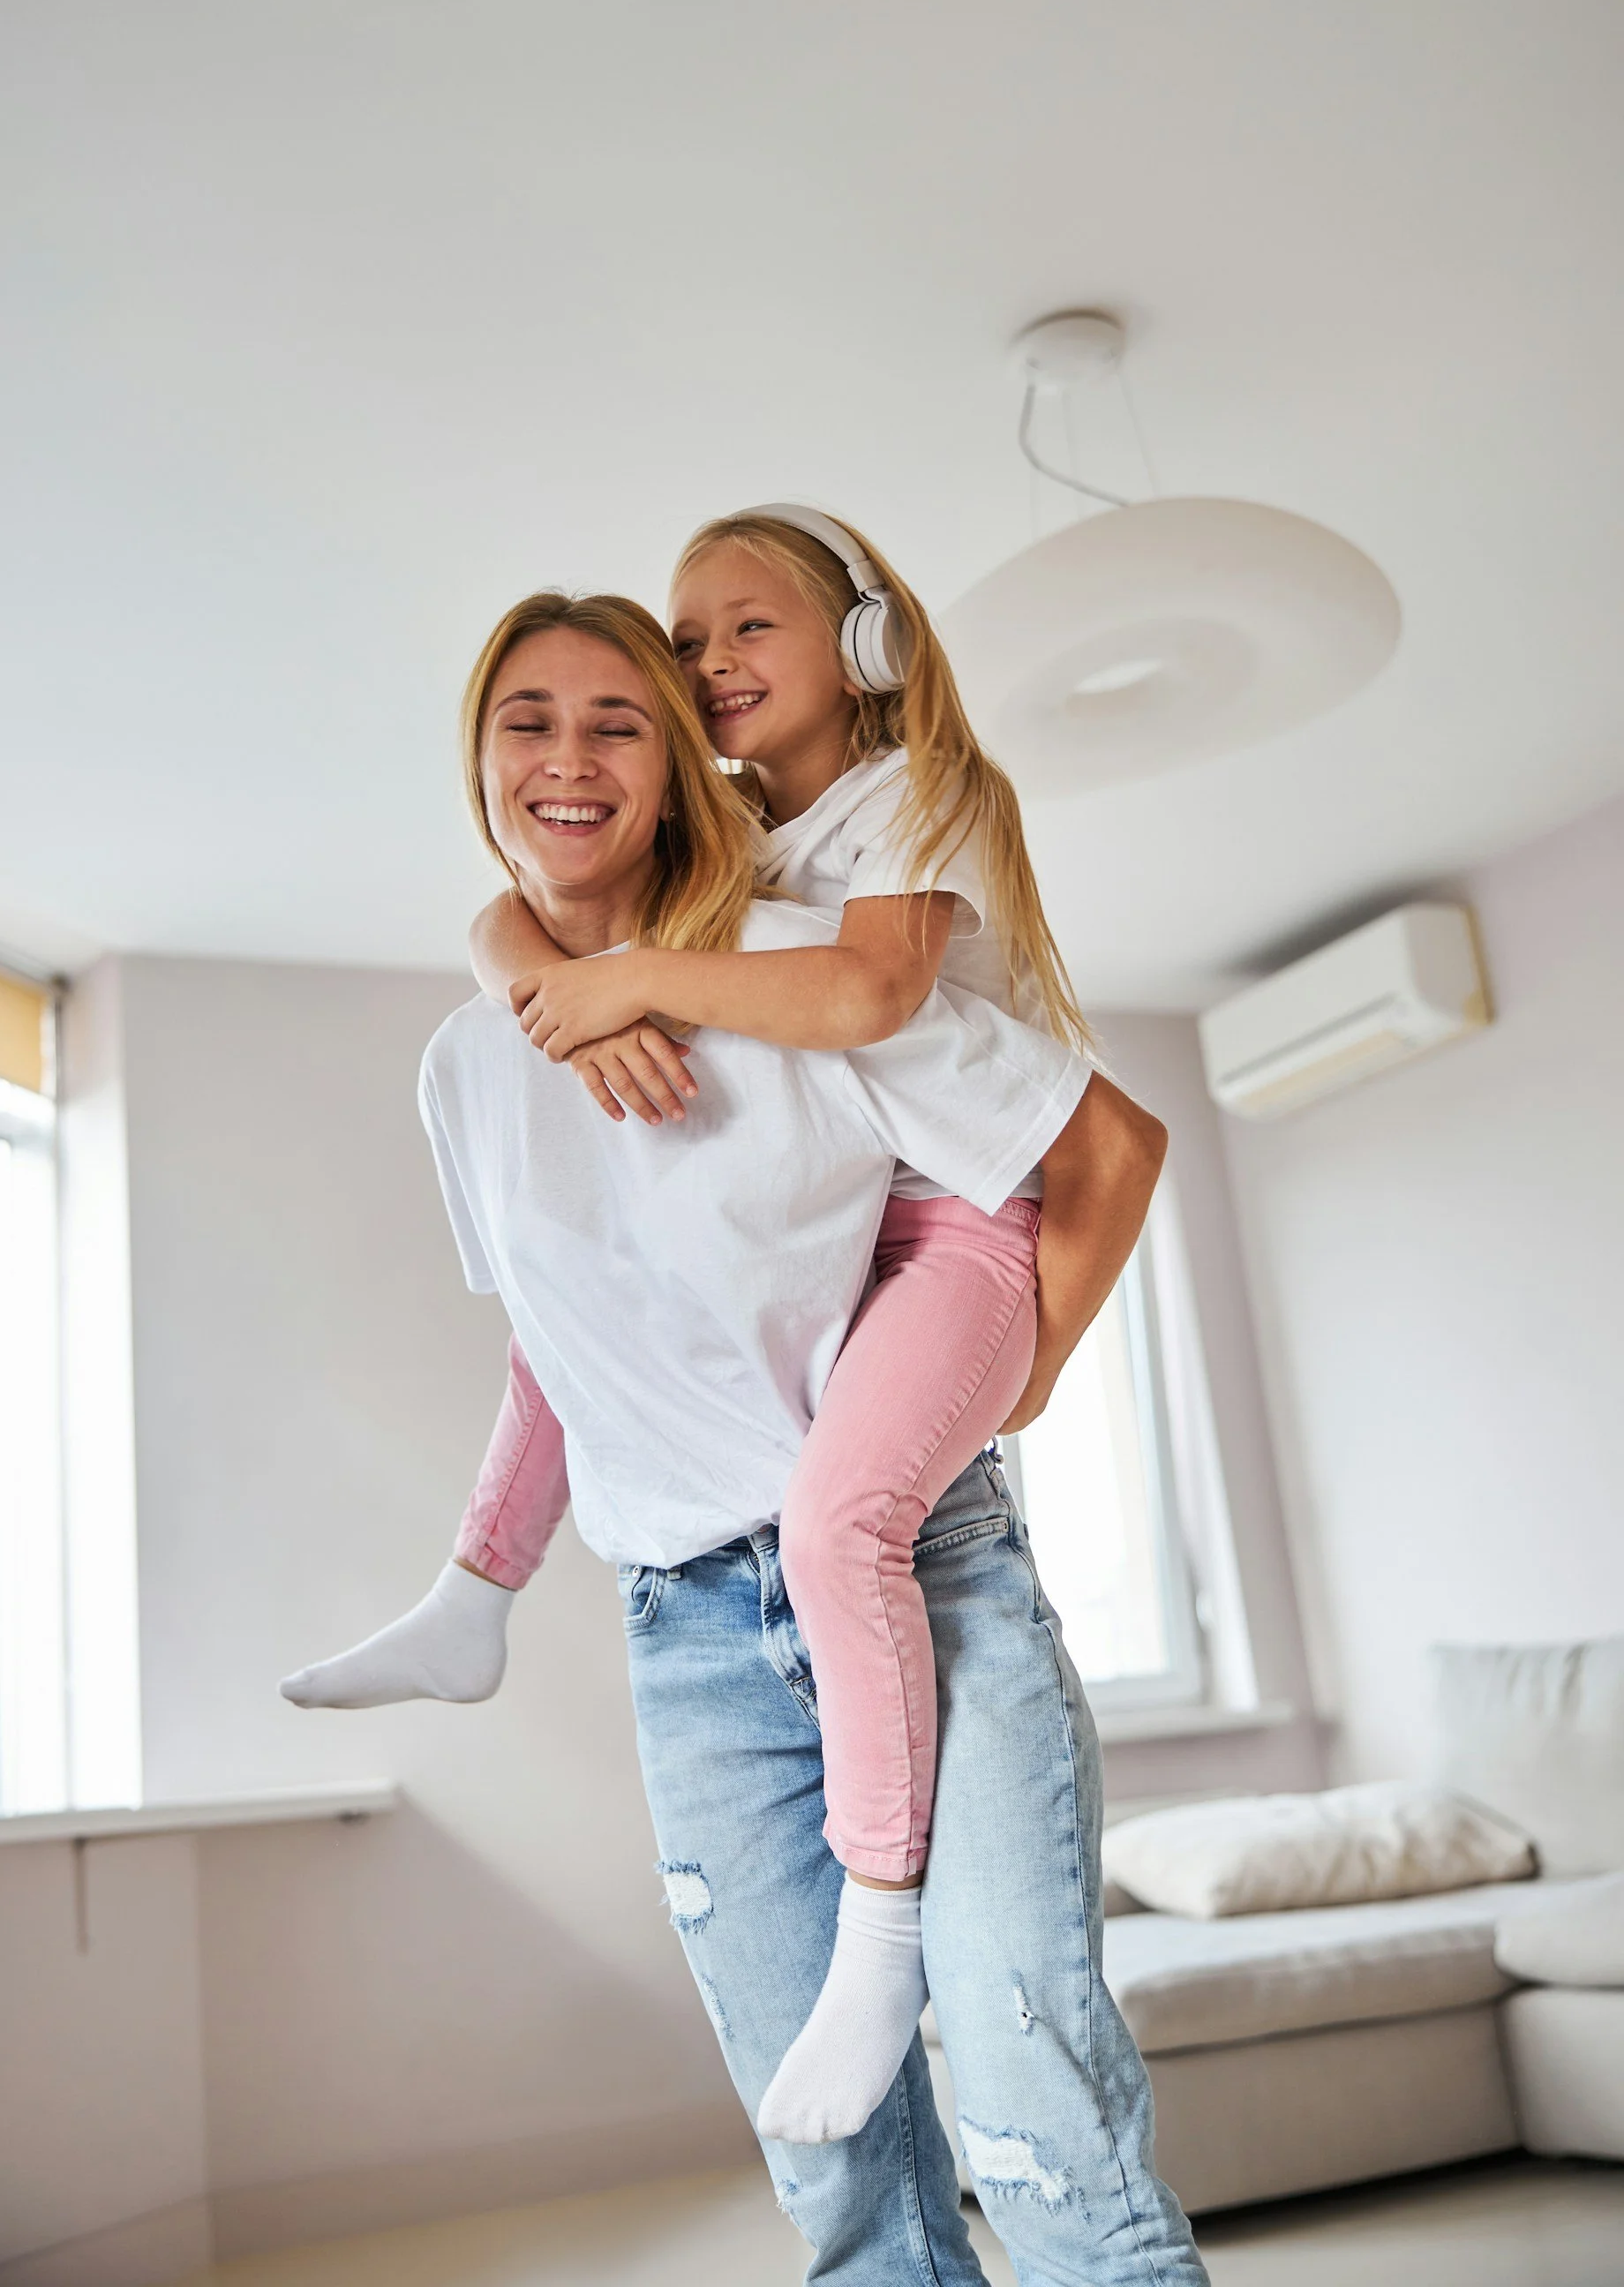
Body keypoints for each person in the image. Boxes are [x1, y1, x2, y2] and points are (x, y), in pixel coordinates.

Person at [288, 588, 1209, 2284]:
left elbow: (1089, 1153)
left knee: (1035, 2114)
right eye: (527, 722)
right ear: (477, 764)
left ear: (676, 766)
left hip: (911, 1577)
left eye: (618, 721)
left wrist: (1027, 1384)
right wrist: (481, 1570)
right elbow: (569, 1346)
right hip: (685, 1636)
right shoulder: (460, 1064)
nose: (569, 757)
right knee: (840, 2183)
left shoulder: (805, 971)